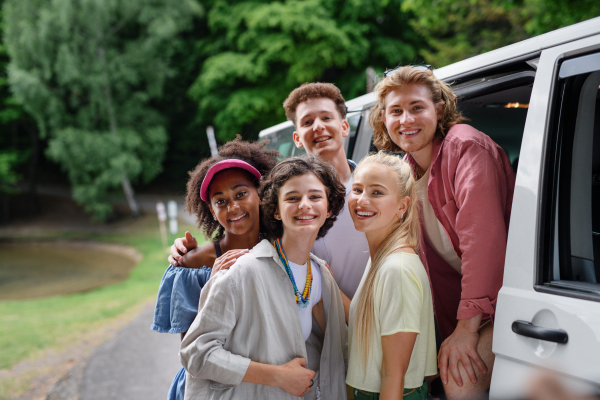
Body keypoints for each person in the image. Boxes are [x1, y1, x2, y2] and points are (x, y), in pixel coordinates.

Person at [369, 66, 516, 400]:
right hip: (461, 309)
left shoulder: (466, 148)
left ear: (438, 109)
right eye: (396, 111)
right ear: (384, 119)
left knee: (460, 379)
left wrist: (465, 330)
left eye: (417, 107)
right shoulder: (405, 169)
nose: (406, 119)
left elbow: (483, 243)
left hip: (504, 299)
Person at [169, 83, 370, 300]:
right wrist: (185, 252)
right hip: (311, 325)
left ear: (344, 126)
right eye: (308, 122)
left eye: (326, 118)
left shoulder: (375, 193)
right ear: (297, 138)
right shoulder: (286, 204)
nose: (318, 127)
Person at [180, 156, 348, 399]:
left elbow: (333, 350)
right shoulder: (240, 272)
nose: (304, 205)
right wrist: (277, 375)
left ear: (329, 208)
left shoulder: (319, 274)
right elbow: (195, 353)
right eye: (292, 198)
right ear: (276, 210)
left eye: (315, 197)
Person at [150, 137, 279, 400]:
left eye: (241, 194)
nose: (233, 207)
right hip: (213, 389)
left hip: (273, 384)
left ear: (260, 192)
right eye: (220, 201)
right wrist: (215, 285)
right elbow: (193, 349)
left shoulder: (283, 250)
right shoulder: (194, 264)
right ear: (211, 209)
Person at [344, 152, 437, 400]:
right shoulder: (380, 259)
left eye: (376, 192)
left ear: (402, 206)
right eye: (357, 190)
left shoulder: (397, 269)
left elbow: (393, 375)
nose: (362, 200)